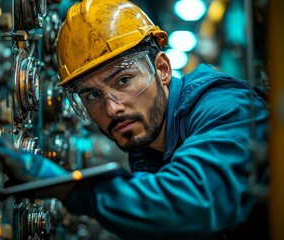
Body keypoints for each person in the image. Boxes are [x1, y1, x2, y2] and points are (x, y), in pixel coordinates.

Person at [46, 0, 269, 239]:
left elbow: (191, 204)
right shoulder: (148, 152)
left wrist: (67, 187)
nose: (111, 108)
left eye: (123, 80)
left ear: (162, 69)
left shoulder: (226, 108)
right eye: (92, 95)